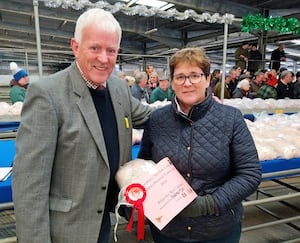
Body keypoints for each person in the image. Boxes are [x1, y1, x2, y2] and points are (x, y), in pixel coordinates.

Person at [12, 8, 152, 243]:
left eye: (111, 50)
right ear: (75, 47)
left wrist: (191, 101)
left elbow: (151, 116)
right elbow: (29, 185)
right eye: (95, 48)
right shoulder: (47, 94)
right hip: (66, 230)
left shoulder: (118, 89)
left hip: (102, 222)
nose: (104, 58)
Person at [138, 47, 261, 243]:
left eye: (195, 75)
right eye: (180, 77)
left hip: (217, 230)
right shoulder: (157, 120)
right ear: (172, 82)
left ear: (207, 79)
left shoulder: (230, 119)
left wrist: (207, 204)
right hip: (169, 230)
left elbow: (250, 174)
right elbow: (144, 166)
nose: (187, 83)